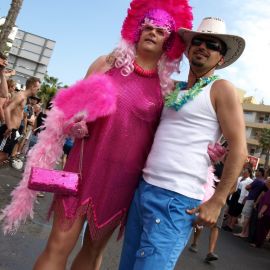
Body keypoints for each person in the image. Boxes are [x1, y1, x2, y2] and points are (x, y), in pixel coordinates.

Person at [0, 1, 193, 270]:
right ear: (137, 30)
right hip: (82, 167)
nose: (152, 32)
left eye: (160, 31)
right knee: (59, 244)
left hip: (121, 181)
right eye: (148, 26)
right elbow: (66, 112)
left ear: (169, 40)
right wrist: (74, 122)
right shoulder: (107, 64)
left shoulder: (166, 88)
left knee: (92, 255)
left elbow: (170, 135)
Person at [119, 17, 247, 270]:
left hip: (177, 199)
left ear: (220, 59)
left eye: (213, 45)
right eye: (197, 41)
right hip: (144, 190)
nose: (203, 47)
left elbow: (240, 150)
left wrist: (217, 201)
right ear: (188, 49)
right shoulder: (173, 89)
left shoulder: (222, 89)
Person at [0, 77, 40, 164]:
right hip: (9, 129)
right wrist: (9, 127)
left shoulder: (24, 98)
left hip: (13, 130)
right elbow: (7, 109)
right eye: (38, 88)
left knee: (5, 156)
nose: (38, 90)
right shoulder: (21, 96)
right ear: (32, 86)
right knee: (2, 155)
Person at [234, 167, 265, 238]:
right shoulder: (263, 181)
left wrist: (250, 189)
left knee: (246, 216)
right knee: (248, 217)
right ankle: (246, 233)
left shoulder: (257, 180)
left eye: (257, 171)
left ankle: (243, 232)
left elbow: (247, 187)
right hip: (254, 199)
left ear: (260, 173)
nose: (256, 172)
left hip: (251, 199)